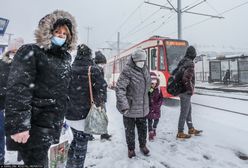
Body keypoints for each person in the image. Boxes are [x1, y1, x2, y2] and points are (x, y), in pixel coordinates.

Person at [4, 10, 77, 167]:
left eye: (65, 33)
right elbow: (19, 87)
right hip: (34, 126)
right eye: (57, 31)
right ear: (47, 32)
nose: (61, 36)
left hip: (53, 125)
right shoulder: (31, 51)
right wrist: (19, 125)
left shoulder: (65, 58)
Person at [65, 44, 107, 168]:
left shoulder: (69, 68)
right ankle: (77, 165)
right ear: (89, 55)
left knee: (76, 140)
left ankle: (69, 164)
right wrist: (100, 103)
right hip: (84, 115)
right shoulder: (93, 69)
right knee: (81, 144)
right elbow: (102, 90)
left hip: (70, 114)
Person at [116, 49, 151, 158]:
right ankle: (131, 149)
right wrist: (124, 105)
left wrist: (151, 89)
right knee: (130, 131)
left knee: (143, 129)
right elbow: (120, 89)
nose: (142, 62)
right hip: (130, 107)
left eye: (143, 60)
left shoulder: (145, 69)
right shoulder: (127, 71)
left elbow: (146, 85)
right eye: (139, 60)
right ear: (134, 60)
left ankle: (143, 145)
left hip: (142, 107)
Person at [0, 38, 24, 164]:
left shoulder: (25, 66)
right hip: (2, 106)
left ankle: (22, 157)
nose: (14, 53)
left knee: (21, 134)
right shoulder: (1, 63)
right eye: (13, 50)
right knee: (0, 134)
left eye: (18, 51)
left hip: (19, 106)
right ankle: (1, 158)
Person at [174, 46, 202, 139]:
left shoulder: (183, 61)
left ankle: (191, 128)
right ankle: (180, 132)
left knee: (188, 110)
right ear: (193, 54)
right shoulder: (190, 63)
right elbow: (186, 79)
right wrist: (190, 90)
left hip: (181, 89)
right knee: (184, 112)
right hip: (185, 91)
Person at [94, 51, 111, 140]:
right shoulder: (95, 70)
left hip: (99, 97)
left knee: (100, 115)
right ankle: (103, 133)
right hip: (98, 97)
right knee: (101, 115)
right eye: (102, 63)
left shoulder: (99, 69)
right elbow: (99, 84)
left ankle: (104, 133)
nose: (103, 65)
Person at [146, 73, 163, 141]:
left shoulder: (159, 89)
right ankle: (150, 133)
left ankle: (154, 128)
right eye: (152, 83)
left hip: (157, 108)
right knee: (150, 120)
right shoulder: (150, 89)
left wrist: (159, 104)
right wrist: (151, 88)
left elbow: (161, 98)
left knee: (156, 119)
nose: (154, 84)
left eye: (155, 82)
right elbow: (148, 96)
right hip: (150, 108)